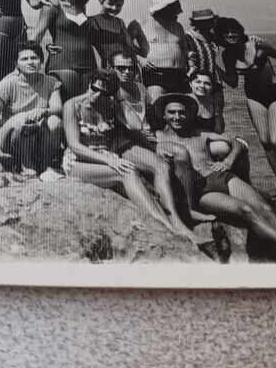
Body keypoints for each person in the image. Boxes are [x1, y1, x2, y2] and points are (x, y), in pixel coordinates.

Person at [154, 94, 276, 261]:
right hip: (201, 191)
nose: (177, 117)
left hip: (222, 177)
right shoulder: (158, 138)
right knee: (245, 210)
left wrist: (228, 160)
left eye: (181, 112)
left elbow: (237, 143)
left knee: (265, 208)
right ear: (164, 115)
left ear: (188, 114)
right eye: (172, 112)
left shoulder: (200, 134)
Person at [61, 69, 201, 244]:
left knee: (145, 180)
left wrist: (118, 102)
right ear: (88, 85)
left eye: (103, 92)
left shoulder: (111, 105)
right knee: (126, 171)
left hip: (106, 157)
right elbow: (75, 146)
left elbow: (135, 126)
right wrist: (109, 160)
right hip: (78, 161)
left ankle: (177, 222)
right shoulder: (72, 105)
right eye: (93, 89)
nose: (96, 95)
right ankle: (169, 227)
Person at [215, 17, 276, 205]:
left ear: (240, 31)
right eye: (226, 33)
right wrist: (217, 68)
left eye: (234, 31)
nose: (231, 35)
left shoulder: (257, 45)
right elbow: (232, 83)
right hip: (254, 97)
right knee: (265, 142)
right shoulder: (228, 56)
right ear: (222, 37)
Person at [0, 43, 65, 181]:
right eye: (24, 59)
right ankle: (26, 166)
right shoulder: (8, 84)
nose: (30, 62)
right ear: (17, 64)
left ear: (41, 61)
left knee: (55, 121)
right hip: (12, 139)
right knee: (22, 120)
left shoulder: (50, 82)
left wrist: (43, 111)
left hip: (36, 139)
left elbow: (58, 107)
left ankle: (46, 165)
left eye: (34, 58)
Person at [31, 0, 99, 101]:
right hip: (63, 64)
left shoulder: (82, 7)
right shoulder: (52, 6)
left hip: (89, 64)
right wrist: (27, 61)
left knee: (85, 107)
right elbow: (37, 36)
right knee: (66, 107)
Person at [137, 0, 197, 115]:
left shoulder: (178, 26)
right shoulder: (141, 23)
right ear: (165, 7)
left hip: (180, 74)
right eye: (175, 7)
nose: (180, 11)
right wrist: (140, 59)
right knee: (156, 107)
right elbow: (126, 45)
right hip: (155, 73)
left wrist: (191, 66)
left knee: (181, 109)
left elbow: (186, 49)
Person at [84, 0, 143, 69]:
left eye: (118, 5)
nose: (114, 8)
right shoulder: (92, 21)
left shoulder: (120, 22)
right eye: (110, 4)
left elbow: (129, 46)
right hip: (103, 65)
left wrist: (139, 59)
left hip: (122, 64)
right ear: (102, 2)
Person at [186, 8, 226, 88]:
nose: (210, 24)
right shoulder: (188, 37)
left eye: (210, 21)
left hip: (213, 81)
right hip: (196, 83)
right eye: (205, 22)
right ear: (196, 23)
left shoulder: (212, 37)